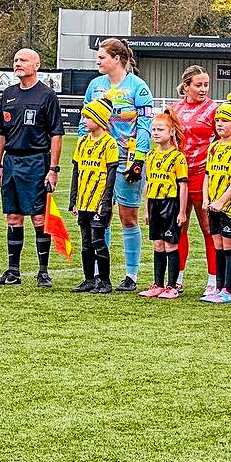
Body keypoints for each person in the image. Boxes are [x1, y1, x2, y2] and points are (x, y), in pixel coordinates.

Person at [79, 38, 153, 292]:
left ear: (117, 59)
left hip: (126, 159)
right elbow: (84, 121)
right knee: (100, 215)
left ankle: (131, 275)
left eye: (102, 57)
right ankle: (101, 273)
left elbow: (144, 125)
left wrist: (139, 157)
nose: (97, 61)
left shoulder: (138, 87)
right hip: (97, 161)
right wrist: (81, 147)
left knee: (127, 216)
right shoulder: (95, 86)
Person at [0, 49, 64, 288]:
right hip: (12, 162)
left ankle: (43, 272)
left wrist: (53, 168)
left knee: (38, 216)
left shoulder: (47, 95)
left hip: (36, 161)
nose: (17, 63)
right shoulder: (9, 94)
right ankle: (13, 271)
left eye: (23, 60)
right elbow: (0, 132)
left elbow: (56, 134)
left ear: (37, 65)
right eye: (15, 60)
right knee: (13, 216)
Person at [172, 65, 217, 293]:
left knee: (208, 228)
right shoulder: (175, 109)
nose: (203, 89)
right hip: (179, 177)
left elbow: (224, 141)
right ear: (186, 86)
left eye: (206, 84)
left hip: (203, 175)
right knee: (179, 227)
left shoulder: (213, 110)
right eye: (198, 85)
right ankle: (177, 278)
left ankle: (213, 280)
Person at [200, 93, 231, 304]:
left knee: (230, 246)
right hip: (213, 205)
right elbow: (207, 174)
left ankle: (228, 290)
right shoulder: (214, 146)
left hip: (230, 206)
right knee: (217, 245)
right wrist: (206, 199)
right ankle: (218, 287)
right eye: (217, 120)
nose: (219, 124)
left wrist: (222, 201)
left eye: (225, 120)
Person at [69, 97, 119, 294]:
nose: (84, 121)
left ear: (99, 119)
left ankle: (105, 281)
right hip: (83, 202)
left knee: (98, 240)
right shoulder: (81, 142)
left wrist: (105, 203)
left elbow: (111, 176)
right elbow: (76, 171)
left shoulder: (110, 144)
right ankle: (89, 279)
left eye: (87, 117)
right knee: (85, 243)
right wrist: (73, 200)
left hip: (99, 202)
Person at [139, 109, 188, 299]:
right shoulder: (151, 156)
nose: (156, 133)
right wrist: (146, 210)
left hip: (171, 204)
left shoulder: (178, 157)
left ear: (171, 132)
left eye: (161, 129)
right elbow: (149, 183)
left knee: (170, 245)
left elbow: (183, 186)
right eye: (154, 129)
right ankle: (158, 284)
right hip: (155, 205)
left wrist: (182, 211)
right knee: (158, 245)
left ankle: (172, 286)